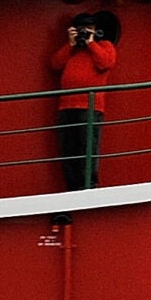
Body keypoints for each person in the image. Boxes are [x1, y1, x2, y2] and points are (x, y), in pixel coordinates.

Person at [51, 14, 118, 190]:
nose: (83, 32)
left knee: (87, 147)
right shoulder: (71, 50)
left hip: (89, 107)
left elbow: (105, 63)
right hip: (67, 106)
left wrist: (91, 42)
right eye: (80, 29)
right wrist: (71, 44)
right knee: (69, 149)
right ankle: (73, 187)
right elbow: (55, 64)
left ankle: (89, 185)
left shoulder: (105, 46)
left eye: (88, 29)